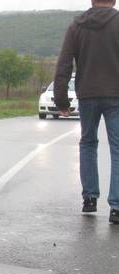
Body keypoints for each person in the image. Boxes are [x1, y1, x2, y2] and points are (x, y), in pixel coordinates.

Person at [54, 0, 119, 224]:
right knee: (117, 149)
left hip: (87, 95)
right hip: (116, 95)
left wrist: (61, 100)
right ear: (114, 1)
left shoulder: (77, 25)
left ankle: (90, 198)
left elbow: (64, 64)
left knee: (88, 143)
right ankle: (117, 207)